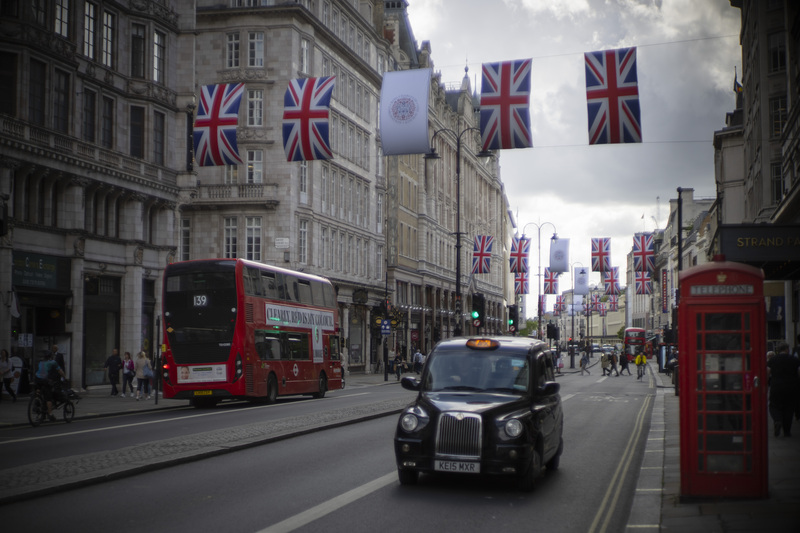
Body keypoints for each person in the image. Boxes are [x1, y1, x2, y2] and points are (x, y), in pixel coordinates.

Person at [766, 341, 800, 437]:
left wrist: (764, 385)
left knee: (773, 406)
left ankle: (777, 420)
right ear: (787, 349)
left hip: (776, 386)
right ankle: (787, 431)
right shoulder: (794, 359)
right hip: (791, 387)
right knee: (789, 408)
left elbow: (767, 373)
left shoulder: (773, 360)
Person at [35, 350, 66, 421]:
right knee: (48, 398)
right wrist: (64, 377)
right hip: (45, 381)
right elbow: (60, 371)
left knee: (39, 392)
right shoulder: (53, 362)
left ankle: (36, 400)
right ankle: (50, 414)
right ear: (51, 356)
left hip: (37, 380)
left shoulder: (40, 362)